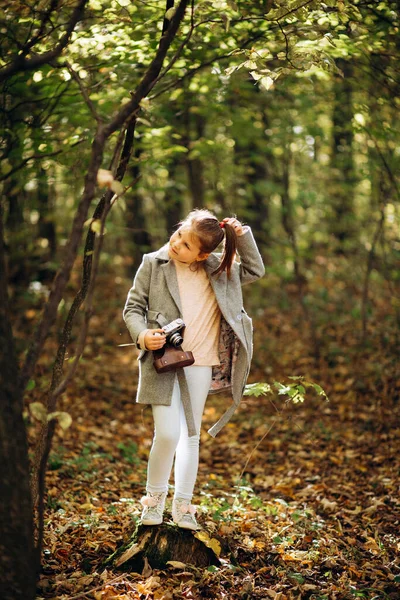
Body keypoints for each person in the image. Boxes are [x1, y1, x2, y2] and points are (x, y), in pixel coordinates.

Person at [123, 209, 265, 530]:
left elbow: (255, 269)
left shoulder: (220, 270)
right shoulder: (153, 264)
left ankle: (183, 506)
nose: (175, 244)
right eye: (177, 234)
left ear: (203, 253)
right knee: (168, 433)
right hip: (162, 361)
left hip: (200, 363)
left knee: (190, 436)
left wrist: (241, 237)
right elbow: (133, 308)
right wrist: (143, 335)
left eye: (186, 244)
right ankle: (153, 500)